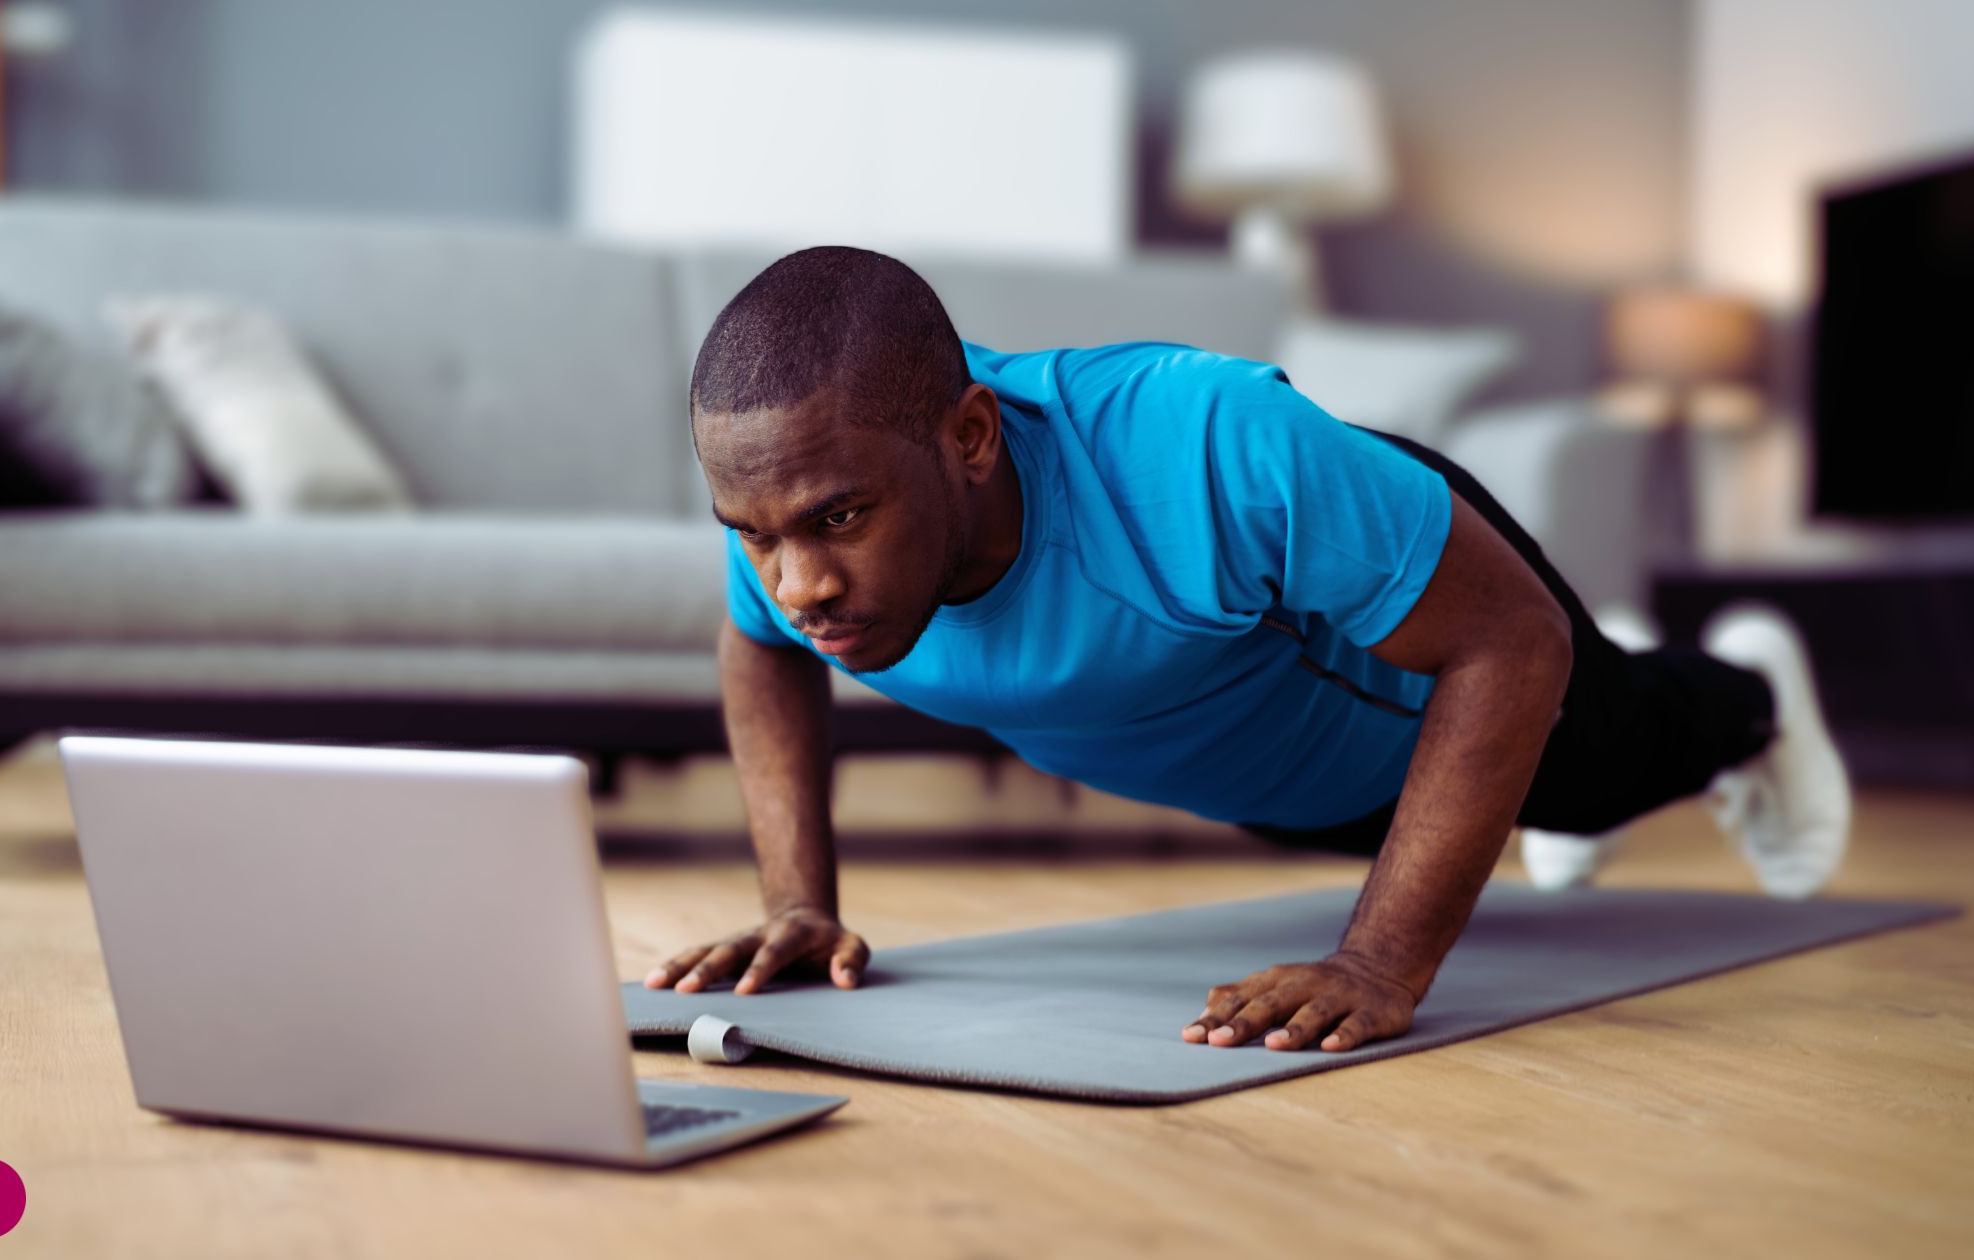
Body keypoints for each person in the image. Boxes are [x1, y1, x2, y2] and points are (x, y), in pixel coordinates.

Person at [642, 246, 1852, 1056]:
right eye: (753, 536)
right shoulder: (789, 503)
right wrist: (797, 899)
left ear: (968, 437)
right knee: (1410, 818)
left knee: (1595, 779)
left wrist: (1378, 962)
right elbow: (758, 650)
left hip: (1438, 653)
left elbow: (1506, 641)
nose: (797, 585)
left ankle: (1751, 691)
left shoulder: (1204, 448)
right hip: (1285, 777)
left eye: (837, 523)